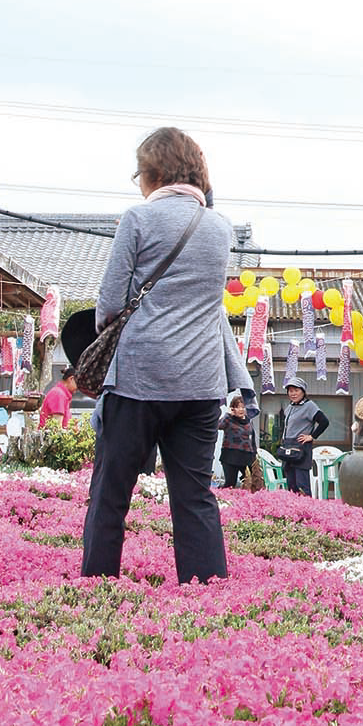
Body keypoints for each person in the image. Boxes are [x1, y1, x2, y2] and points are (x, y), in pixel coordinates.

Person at [81, 126, 246, 584]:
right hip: (200, 383)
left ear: (152, 173)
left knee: (111, 493)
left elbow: (110, 304)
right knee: (195, 496)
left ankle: (97, 588)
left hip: (139, 378)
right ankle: (206, 593)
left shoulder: (137, 220)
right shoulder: (219, 227)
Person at [280, 380, 328, 494]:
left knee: (302, 485)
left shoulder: (309, 406)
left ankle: (306, 511)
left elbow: (324, 422)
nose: (293, 393)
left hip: (301, 448)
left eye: (296, 390)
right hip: (288, 447)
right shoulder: (290, 407)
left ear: (303, 392)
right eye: (290, 391)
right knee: (291, 485)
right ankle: (292, 511)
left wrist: (312, 436)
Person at [218, 391, 257, 489]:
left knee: (251, 482)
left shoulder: (249, 421)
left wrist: (254, 456)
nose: (241, 409)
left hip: (246, 457)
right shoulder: (228, 419)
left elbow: (252, 441)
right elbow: (219, 426)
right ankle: (223, 500)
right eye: (238, 407)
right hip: (230, 456)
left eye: (243, 407)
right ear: (233, 408)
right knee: (230, 483)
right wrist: (227, 414)